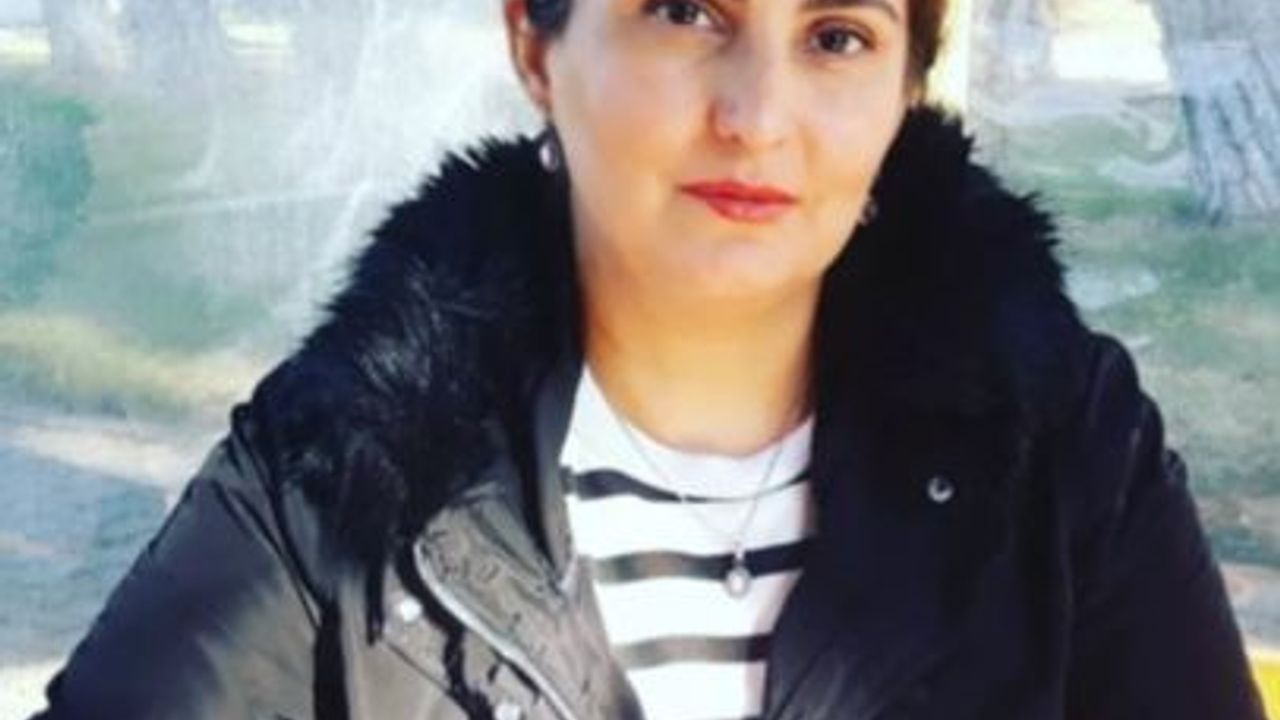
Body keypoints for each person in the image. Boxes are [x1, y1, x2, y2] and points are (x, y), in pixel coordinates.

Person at [30, 0, 1267, 718]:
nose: (757, 115)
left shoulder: (1061, 447)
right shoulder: (340, 466)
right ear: (534, 47)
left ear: (905, 88)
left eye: (836, 34)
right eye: (685, 11)